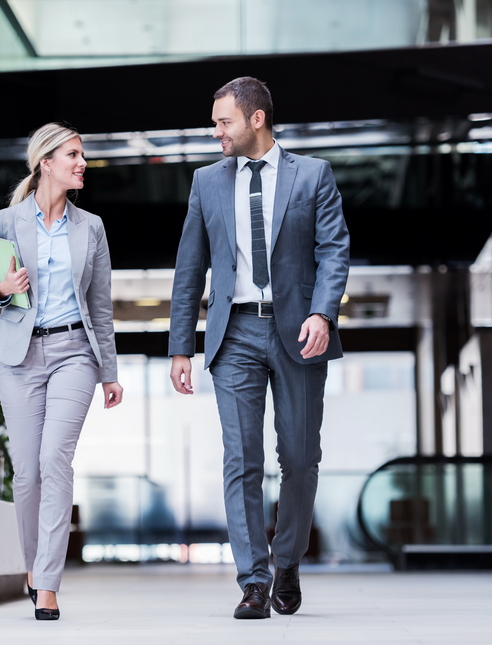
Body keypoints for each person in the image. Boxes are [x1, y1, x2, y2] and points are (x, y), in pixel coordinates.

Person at [168, 77, 350, 619]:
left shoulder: (313, 175)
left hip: (299, 330)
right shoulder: (206, 182)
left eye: (223, 121)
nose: (215, 131)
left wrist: (323, 312)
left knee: (299, 456)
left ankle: (288, 560)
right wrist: (181, 345)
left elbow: (334, 250)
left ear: (257, 120)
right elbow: (189, 269)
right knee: (240, 459)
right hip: (234, 334)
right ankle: (253, 580)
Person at [0, 122, 123, 621]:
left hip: (74, 353)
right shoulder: (7, 222)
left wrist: (109, 372)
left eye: (82, 156)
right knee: (27, 473)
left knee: (55, 461)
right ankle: (34, 567)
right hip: (20, 357)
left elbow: (100, 307)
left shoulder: (92, 227)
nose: (82, 163)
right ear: (46, 163)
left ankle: (49, 584)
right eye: (73, 155)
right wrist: (0, 288)